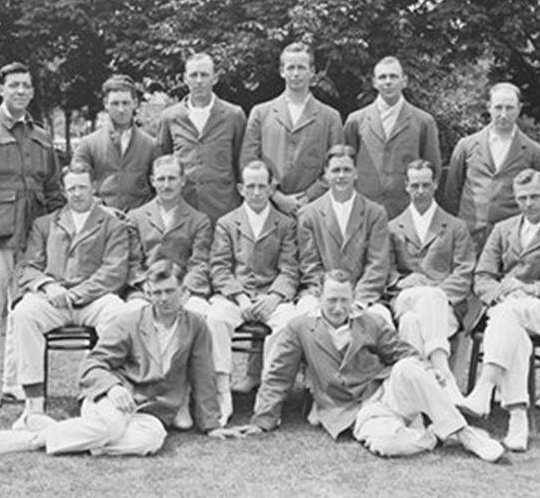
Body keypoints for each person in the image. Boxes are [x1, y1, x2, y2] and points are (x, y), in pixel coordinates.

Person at [217, 270, 504, 462]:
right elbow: (278, 376)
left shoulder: (371, 321)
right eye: (332, 300)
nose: (339, 307)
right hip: (355, 411)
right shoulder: (300, 328)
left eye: (344, 300)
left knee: (409, 366)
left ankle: (464, 433)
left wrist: (429, 369)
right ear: (319, 298)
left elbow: (400, 350)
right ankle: (435, 436)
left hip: (385, 389)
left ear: (353, 298)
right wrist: (262, 420)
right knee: (389, 446)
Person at [0, 260, 226, 457]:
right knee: (110, 426)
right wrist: (112, 388)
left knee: (150, 440)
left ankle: (54, 432)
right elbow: (93, 364)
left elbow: (203, 373)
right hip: (113, 398)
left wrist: (211, 425)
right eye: (157, 293)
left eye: (170, 291)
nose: (163, 299)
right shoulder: (130, 321)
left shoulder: (196, 325)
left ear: (183, 292)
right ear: (148, 294)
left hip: (153, 409)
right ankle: (32, 441)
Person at [0, 61, 65, 409]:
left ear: (32, 92)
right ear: (1, 90)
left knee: (21, 312)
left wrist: (52, 238)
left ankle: (15, 381)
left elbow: (53, 190)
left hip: (31, 241)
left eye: (26, 86)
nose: (21, 91)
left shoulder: (41, 135)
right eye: (14, 85)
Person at [459, 169, 540, 451]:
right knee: (513, 330)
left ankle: (484, 389)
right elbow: (482, 276)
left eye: (535, 197)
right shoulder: (503, 229)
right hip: (506, 308)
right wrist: (500, 295)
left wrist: (531, 289)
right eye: (522, 198)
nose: (528, 204)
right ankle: (518, 420)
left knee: (509, 315)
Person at [8, 163, 129, 426]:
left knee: (120, 313)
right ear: (63, 191)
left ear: (94, 188)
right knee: (24, 314)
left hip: (93, 298)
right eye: (71, 188)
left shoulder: (112, 224)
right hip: (53, 298)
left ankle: (101, 394)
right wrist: (48, 286)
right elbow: (28, 267)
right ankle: (34, 407)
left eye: (82, 187)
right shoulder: (45, 224)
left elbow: (114, 271)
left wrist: (75, 294)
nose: (77, 193)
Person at [207, 160, 299, 423]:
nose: (256, 192)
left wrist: (275, 297)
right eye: (251, 186)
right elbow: (220, 268)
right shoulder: (227, 223)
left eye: (262, 186)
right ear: (240, 188)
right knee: (216, 320)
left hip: (272, 296)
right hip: (237, 297)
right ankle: (222, 393)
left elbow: (290, 269)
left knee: (287, 324)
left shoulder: (285, 224)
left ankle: (269, 398)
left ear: (271, 188)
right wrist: (240, 296)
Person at [387, 159, 475, 402]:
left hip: (445, 306)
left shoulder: (456, 227)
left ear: (435, 184)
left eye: (426, 184)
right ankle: (444, 374)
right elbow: (387, 270)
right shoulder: (393, 227)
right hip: (405, 296)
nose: (420, 191)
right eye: (414, 185)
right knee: (415, 305)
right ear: (406, 186)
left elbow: (464, 271)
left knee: (411, 323)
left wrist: (436, 292)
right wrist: (400, 282)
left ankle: (415, 398)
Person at [240, 42, 344, 216]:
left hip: (315, 211)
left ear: (312, 71)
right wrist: (276, 196)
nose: (296, 74)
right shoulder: (261, 113)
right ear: (282, 71)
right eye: (291, 68)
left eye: (301, 68)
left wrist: (308, 197)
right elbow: (248, 161)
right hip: (267, 208)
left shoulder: (330, 117)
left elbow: (338, 166)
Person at [444, 82, 540, 253]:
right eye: (498, 107)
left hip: (512, 241)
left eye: (509, 108)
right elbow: (452, 192)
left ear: (519, 109)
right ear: (489, 107)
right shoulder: (467, 146)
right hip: (470, 239)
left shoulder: (533, 151)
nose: (503, 114)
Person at [297, 145, 391, 323]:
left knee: (381, 320)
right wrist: (330, 297)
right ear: (326, 173)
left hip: (363, 296)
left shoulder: (375, 213)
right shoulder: (308, 214)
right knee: (304, 318)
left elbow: (377, 264)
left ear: (356, 172)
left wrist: (358, 299)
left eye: (347, 170)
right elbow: (310, 265)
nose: (341, 175)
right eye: (336, 170)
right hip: (320, 295)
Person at [344, 56, 441, 219]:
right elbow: (345, 165)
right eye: (382, 77)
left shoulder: (423, 122)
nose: (388, 82)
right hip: (364, 210)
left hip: (406, 210)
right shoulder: (356, 120)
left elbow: (434, 170)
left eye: (393, 76)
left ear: (404, 81)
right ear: (374, 82)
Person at [155, 53, 246, 221]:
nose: (198, 81)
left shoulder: (233, 115)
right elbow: (161, 161)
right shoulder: (170, 117)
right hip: (183, 209)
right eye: (193, 75)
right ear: (184, 78)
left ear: (215, 78)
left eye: (204, 75)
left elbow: (241, 161)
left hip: (223, 209)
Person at [127, 155, 212, 316]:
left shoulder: (199, 221)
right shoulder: (135, 218)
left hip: (185, 291)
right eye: (161, 179)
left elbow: (200, 263)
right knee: (132, 313)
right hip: (146, 291)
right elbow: (133, 262)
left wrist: (183, 290)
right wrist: (146, 285)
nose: (166, 185)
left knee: (200, 313)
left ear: (182, 181)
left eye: (172, 179)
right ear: (152, 181)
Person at [73, 75, 159, 212]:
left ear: (135, 103)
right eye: (115, 103)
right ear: (105, 103)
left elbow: (161, 188)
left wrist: (142, 215)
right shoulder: (88, 145)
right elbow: (76, 185)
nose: (121, 110)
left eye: (125, 103)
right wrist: (101, 208)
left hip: (140, 224)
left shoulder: (151, 145)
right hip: (100, 222)